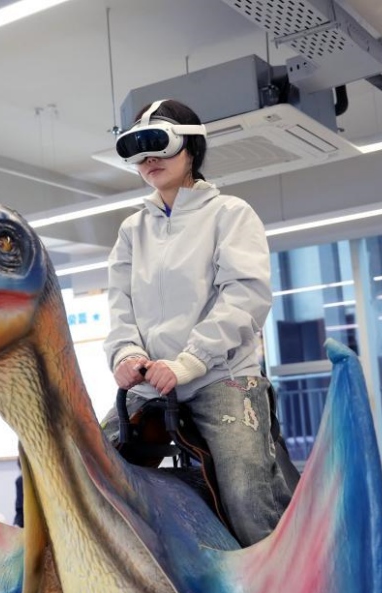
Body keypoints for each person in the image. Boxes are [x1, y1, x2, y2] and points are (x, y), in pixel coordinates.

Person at [100, 98, 293, 547]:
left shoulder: (230, 214)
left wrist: (190, 362)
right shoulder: (132, 229)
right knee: (85, 472)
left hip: (221, 378)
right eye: (138, 149)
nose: (149, 159)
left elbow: (245, 296)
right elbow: (119, 302)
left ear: (191, 149)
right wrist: (125, 353)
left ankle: (282, 573)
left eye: (159, 144)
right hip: (149, 383)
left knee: (247, 499)